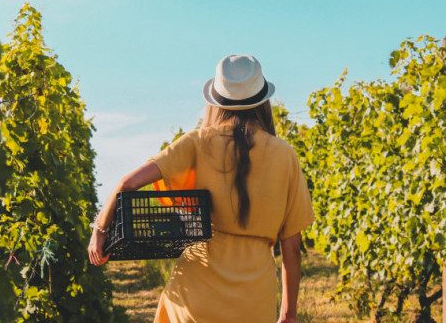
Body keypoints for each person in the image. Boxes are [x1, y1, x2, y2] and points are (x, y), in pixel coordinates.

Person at [88, 55, 315, 323]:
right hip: (253, 299)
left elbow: (128, 183)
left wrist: (100, 230)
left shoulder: (197, 142)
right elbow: (292, 247)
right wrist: (288, 315)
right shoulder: (285, 155)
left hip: (196, 293)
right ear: (263, 101)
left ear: (217, 101)